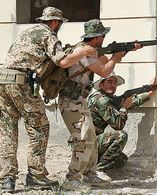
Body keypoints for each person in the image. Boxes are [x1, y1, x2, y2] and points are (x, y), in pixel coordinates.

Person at [0, 7, 97, 193]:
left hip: (3, 81)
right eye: (59, 23)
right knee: (39, 127)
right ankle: (36, 175)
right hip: (21, 83)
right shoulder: (48, 34)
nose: (59, 26)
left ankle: (7, 179)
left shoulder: (28, 32)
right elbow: (62, 61)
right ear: (55, 22)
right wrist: (83, 52)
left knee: (8, 130)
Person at [58, 19, 141, 191]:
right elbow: (104, 71)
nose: (104, 38)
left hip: (79, 100)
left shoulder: (92, 51)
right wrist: (115, 58)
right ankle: (71, 178)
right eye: (103, 36)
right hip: (70, 101)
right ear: (97, 37)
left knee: (91, 139)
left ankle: (89, 174)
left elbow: (104, 62)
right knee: (82, 138)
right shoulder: (85, 51)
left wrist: (124, 51)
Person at [87, 73, 156, 171]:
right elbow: (118, 125)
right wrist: (124, 108)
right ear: (101, 85)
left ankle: (91, 163)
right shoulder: (101, 100)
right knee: (121, 135)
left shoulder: (106, 98)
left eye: (115, 83)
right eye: (109, 82)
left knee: (121, 159)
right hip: (86, 144)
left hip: (90, 142)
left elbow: (130, 102)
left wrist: (148, 94)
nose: (113, 85)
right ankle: (98, 170)